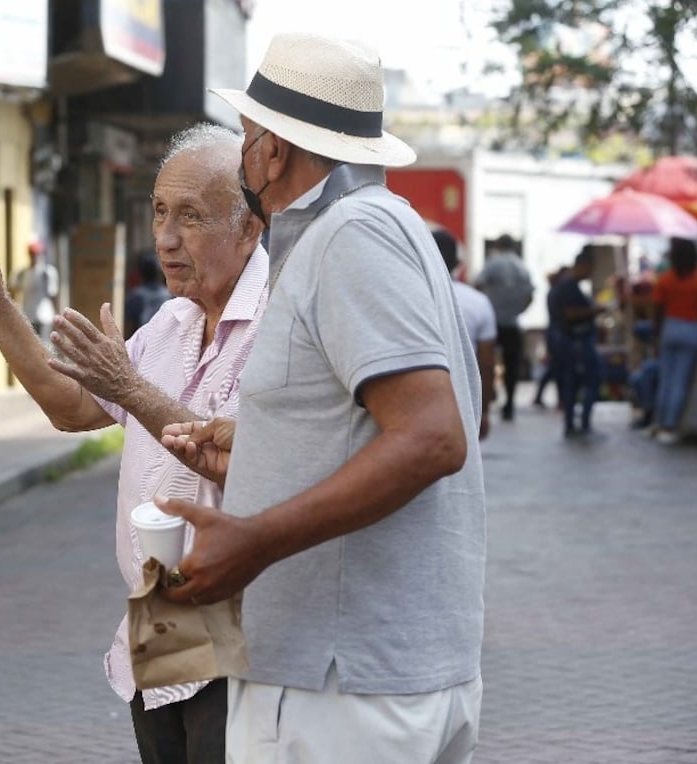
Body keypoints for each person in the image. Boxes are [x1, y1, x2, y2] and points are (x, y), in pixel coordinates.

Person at [156, 33, 486, 764]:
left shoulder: (349, 236)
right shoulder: (373, 228)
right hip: (354, 682)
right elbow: (369, 423)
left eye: (246, 140)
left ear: (272, 152)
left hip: (340, 689)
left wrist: (256, 539)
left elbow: (432, 437)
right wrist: (261, 446)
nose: (243, 159)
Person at [0, 121, 267, 764]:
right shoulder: (172, 321)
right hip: (163, 613)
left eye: (191, 216)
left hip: (246, 625)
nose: (165, 238)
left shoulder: (279, 324)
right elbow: (72, 406)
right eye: (160, 211)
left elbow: (256, 466)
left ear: (249, 228)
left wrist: (128, 387)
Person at [434, 228, 497, 440]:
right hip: (464, 402)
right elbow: (486, 364)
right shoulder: (479, 302)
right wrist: (484, 411)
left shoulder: (406, 299)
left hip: (418, 403)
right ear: (458, 263)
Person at [650, 236, 697, 444]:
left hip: (670, 326)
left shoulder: (666, 278)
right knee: (681, 380)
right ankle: (670, 425)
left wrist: (656, 334)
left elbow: (658, 309)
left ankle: (659, 422)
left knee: (666, 378)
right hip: (692, 328)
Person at [547, 245, 605, 438]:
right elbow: (570, 314)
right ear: (584, 265)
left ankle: (574, 422)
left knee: (572, 382)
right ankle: (581, 422)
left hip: (570, 340)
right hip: (575, 340)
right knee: (585, 381)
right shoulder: (568, 286)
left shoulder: (566, 285)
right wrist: (594, 311)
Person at [475, 233, 534, 421]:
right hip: (513, 322)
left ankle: (488, 395)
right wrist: (518, 310)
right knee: (512, 365)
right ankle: (509, 404)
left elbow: (478, 283)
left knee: (486, 361)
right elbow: (530, 295)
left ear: (499, 246)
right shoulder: (522, 267)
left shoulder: (494, 262)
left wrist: (484, 305)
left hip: (492, 320)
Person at [532, 266, 568, 409]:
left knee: (555, 367)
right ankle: (559, 399)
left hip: (554, 331)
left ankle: (541, 396)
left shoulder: (554, 291)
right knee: (557, 367)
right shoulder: (558, 292)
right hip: (557, 332)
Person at [14, 238, 60, 341]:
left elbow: (54, 296)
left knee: (43, 345)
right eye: (32, 254)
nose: (35, 257)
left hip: (44, 317)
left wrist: (58, 317)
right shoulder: (22, 273)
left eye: (37, 254)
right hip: (27, 317)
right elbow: (13, 291)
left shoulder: (47, 273)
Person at [124, 251, 173, 338]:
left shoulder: (136, 295)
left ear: (140, 273)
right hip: (165, 338)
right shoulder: (168, 294)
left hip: (142, 340)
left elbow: (128, 324)